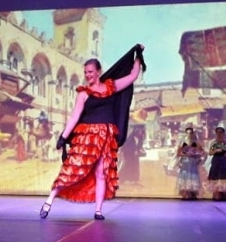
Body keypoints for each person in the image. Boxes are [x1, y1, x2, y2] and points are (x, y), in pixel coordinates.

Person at [39, 44, 146, 220]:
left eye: (90, 72)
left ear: (98, 72)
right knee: (72, 168)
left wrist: (138, 55)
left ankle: (98, 211)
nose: (88, 75)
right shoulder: (84, 94)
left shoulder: (111, 87)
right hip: (88, 137)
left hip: (106, 136)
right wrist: (63, 136)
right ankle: (49, 201)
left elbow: (133, 76)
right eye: (86, 72)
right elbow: (74, 117)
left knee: (101, 173)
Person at [204, 126, 226, 201]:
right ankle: (216, 194)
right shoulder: (213, 142)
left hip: (224, 161)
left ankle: (222, 195)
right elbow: (210, 153)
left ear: (223, 133)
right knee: (215, 176)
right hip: (216, 160)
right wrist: (216, 151)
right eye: (217, 132)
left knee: (223, 176)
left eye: (220, 132)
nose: (219, 134)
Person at [175, 127, 205, 200]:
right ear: (185, 133)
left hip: (192, 162)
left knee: (192, 177)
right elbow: (178, 153)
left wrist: (196, 155)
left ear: (193, 133)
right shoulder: (182, 142)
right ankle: (185, 194)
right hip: (185, 162)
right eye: (187, 133)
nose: (189, 134)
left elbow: (202, 152)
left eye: (191, 133)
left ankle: (192, 194)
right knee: (185, 177)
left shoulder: (195, 142)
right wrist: (186, 155)